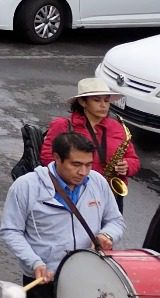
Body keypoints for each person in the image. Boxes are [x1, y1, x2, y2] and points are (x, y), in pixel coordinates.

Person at [3, 131, 125, 298]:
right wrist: (34, 262)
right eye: (76, 164)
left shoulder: (98, 182)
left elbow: (115, 220)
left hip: (86, 276)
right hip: (44, 280)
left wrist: (107, 235)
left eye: (88, 165)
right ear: (57, 158)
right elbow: (11, 230)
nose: (83, 172)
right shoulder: (26, 186)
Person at [38, 78, 138, 210]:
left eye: (106, 100)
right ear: (82, 102)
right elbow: (48, 158)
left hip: (109, 194)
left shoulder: (118, 128)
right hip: (73, 192)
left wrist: (127, 165)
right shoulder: (63, 125)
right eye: (97, 100)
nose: (103, 105)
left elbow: (133, 159)